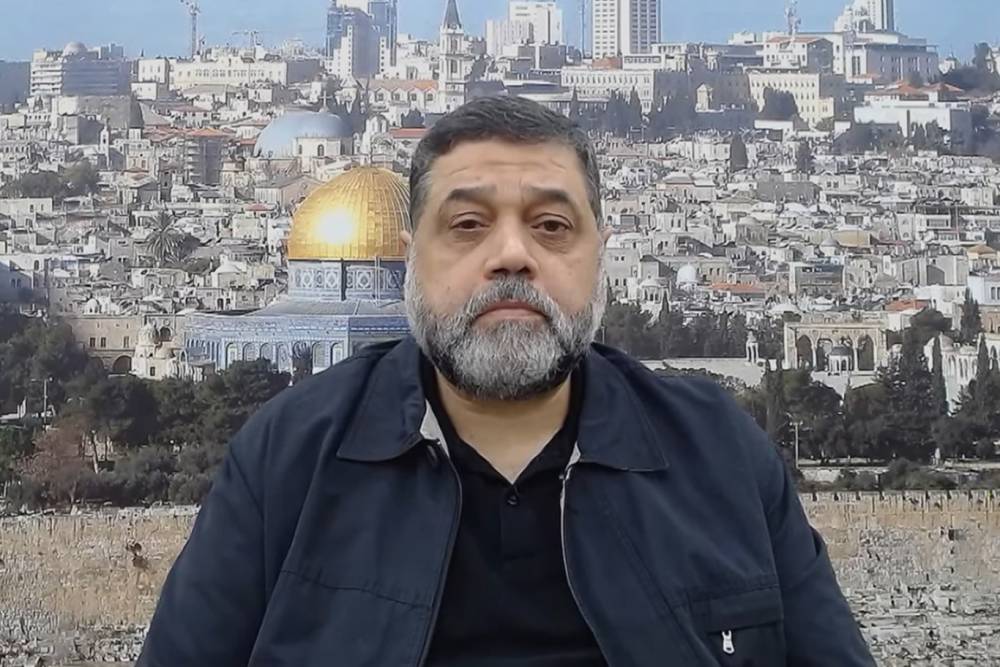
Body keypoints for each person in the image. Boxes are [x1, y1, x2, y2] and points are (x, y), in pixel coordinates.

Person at [139, 95, 875, 666]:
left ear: (600, 253)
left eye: (552, 226)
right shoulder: (288, 457)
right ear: (409, 258)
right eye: (467, 225)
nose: (512, 254)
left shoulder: (719, 453)